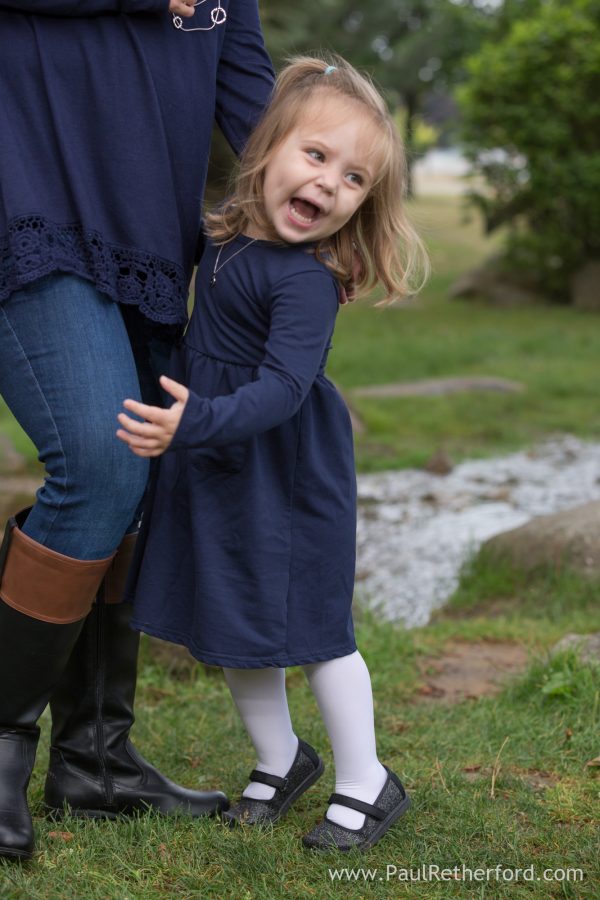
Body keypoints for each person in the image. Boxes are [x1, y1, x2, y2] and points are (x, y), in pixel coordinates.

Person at [117, 55, 428, 852]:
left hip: (286, 477)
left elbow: (285, 391)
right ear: (267, 148)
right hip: (221, 464)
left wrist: (192, 422)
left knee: (317, 630)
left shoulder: (307, 281)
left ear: (363, 202)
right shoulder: (223, 237)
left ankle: (367, 780)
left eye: (354, 178)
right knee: (232, 619)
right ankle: (281, 757)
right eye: (316, 156)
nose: (328, 184)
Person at [0, 0, 274, 860]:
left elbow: (261, 110)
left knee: (143, 481)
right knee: (102, 458)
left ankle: (97, 758)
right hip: (29, 211)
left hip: (153, 241)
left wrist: (339, 200)